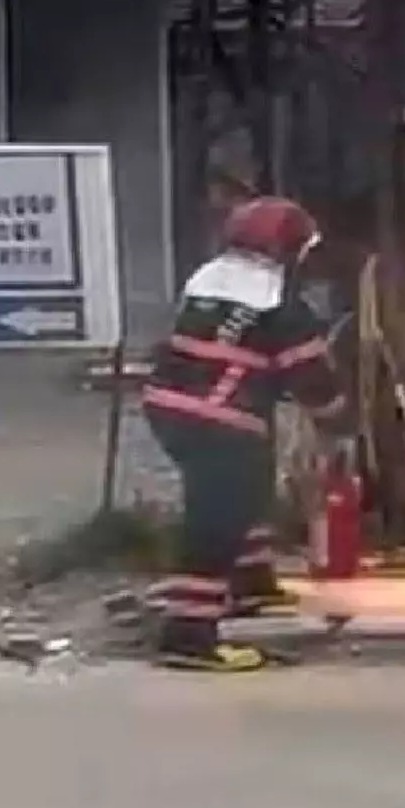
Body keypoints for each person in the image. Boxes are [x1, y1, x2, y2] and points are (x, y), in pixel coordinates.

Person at [142, 196, 350, 671]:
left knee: (245, 490)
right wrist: (339, 421)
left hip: (169, 409)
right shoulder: (281, 306)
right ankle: (188, 634)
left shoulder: (208, 281)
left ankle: (252, 584)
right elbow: (313, 380)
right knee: (218, 516)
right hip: (220, 417)